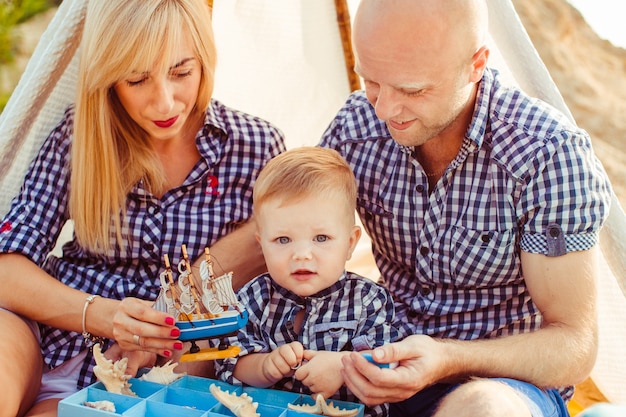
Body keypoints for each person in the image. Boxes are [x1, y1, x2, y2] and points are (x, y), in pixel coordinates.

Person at [319, 1, 612, 416]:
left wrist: (447, 358)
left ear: (476, 64)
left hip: (501, 384)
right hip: (378, 366)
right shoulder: (358, 124)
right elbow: (286, 224)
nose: (384, 109)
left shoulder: (548, 154)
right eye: (371, 82)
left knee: (483, 408)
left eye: (412, 90)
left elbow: (573, 345)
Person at [0, 1, 285, 416]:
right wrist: (105, 316)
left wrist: (162, 333)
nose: (164, 103)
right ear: (111, 78)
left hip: (161, 366)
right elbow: (7, 266)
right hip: (48, 334)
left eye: (181, 72)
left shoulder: (256, 148)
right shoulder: (79, 135)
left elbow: (278, 269)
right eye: (137, 79)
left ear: (204, 60)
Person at [214, 147, 400, 417]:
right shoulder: (253, 297)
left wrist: (342, 367)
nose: (301, 254)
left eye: (321, 238)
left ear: (350, 244)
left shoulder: (369, 300)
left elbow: (387, 365)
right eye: (283, 240)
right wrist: (264, 366)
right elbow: (230, 361)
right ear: (262, 244)